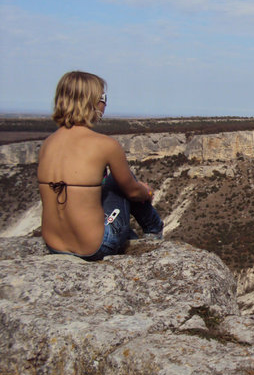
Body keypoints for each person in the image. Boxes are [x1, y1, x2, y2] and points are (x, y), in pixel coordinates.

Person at [37, 71, 163, 260]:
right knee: (121, 181)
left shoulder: (47, 143)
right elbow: (132, 193)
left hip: (54, 246)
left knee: (109, 185)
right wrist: (148, 192)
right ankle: (154, 233)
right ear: (91, 102)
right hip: (96, 246)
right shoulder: (105, 145)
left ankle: (133, 239)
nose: (105, 103)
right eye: (103, 98)